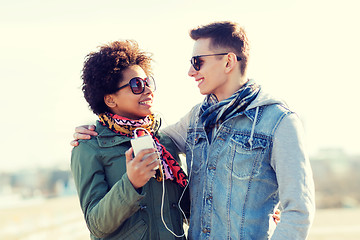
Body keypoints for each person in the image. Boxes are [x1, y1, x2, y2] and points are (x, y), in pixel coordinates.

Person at [72, 21, 315, 239]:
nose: (190, 71)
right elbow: (146, 139)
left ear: (228, 61)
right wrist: (94, 131)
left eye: (197, 62)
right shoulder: (194, 120)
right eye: (137, 84)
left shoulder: (279, 122)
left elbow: (299, 210)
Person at [70, 40, 189, 240]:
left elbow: (187, 209)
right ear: (110, 99)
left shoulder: (164, 142)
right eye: (136, 85)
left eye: (148, 82)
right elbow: (96, 225)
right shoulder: (89, 147)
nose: (148, 90)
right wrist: (131, 183)